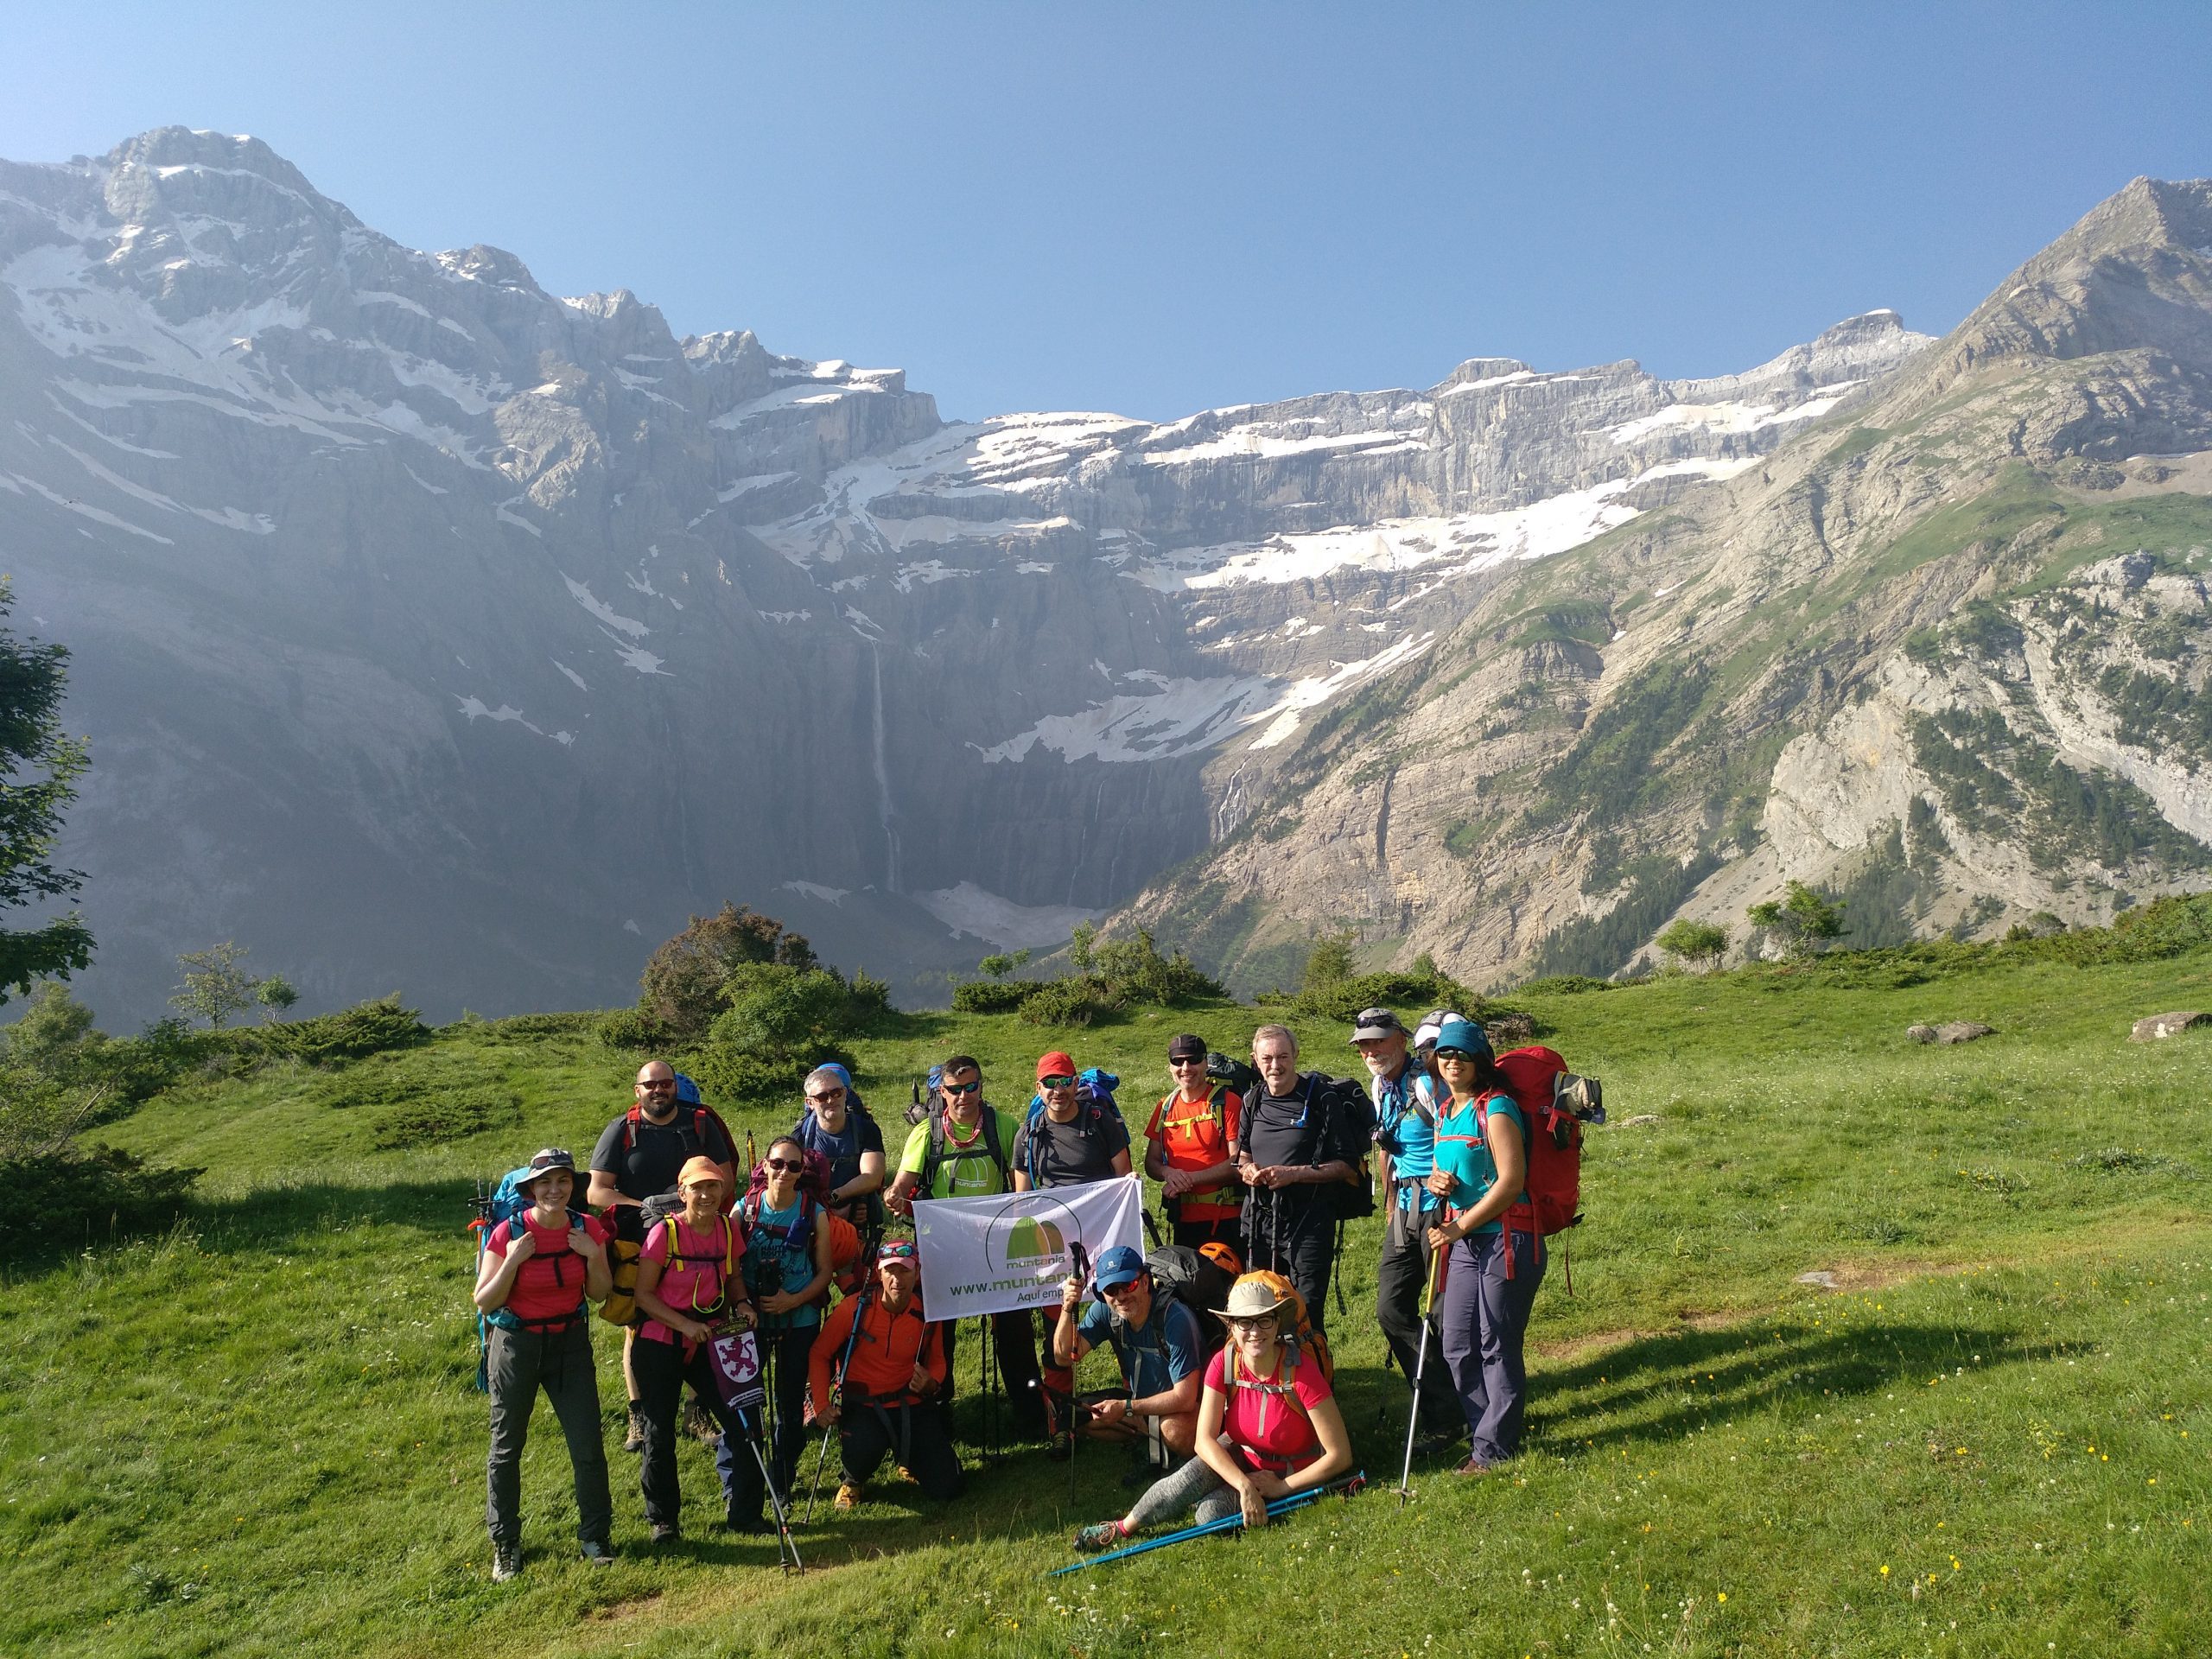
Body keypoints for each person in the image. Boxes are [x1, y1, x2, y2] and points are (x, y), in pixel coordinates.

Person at [1071, 1273, 1352, 1552]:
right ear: (1232, 1326)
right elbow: (1203, 1442)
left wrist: (1282, 1487)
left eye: (1264, 1320)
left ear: (1277, 1323)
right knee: (1191, 1480)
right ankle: (1121, 1527)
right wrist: (1243, 1485)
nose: (1255, 1332)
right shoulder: (1225, 1363)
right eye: (1244, 1322)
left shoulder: (1301, 1371)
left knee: (1209, 1516)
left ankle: (1260, 1498)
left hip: (1293, 1470)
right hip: (1245, 1457)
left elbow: (1339, 1456)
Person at [473, 1147, 616, 1580]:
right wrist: (513, 1260)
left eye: (563, 1181)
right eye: (545, 1183)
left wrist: (592, 1254)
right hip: (516, 1346)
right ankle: (506, 1543)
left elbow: (599, 1293)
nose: (555, 1190)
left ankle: (595, 1537)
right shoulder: (507, 1232)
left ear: (573, 1186)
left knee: (588, 1444)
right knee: (506, 1447)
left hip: (570, 1344)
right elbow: (484, 1300)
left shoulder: (587, 1228)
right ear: (531, 1189)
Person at [887, 1054, 1047, 1436]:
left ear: (981, 1086)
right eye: (955, 1090)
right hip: (942, 1250)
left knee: (1015, 1331)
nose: (963, 1096)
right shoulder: (927, 1133)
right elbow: (903, 1181)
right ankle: (938, 1411)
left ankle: (1030, 1410)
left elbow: (1024, 1181)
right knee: (940, 1335)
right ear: (941, 1092)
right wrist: (895, 1194)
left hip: (996, 1248)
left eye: (971, 1087)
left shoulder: (1004, 1128)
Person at [589, 1060, 737, 1452]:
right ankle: (640, 1412)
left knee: (705, 1313)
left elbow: (726, 1176)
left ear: (676, 1087)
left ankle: (697, 1408)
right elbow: (597, 1191)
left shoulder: (701, 1123)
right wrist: (646, 1207)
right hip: (642, 1242)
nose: (659, 1090)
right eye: (650, 1084)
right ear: (637, 1090)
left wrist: (685, 1208)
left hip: (701, 1235)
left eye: (666, 1083)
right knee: (639, 1323)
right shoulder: (622, 1129)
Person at [1423, 1015, 1540, 1474]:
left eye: (1463, 1055)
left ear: (1480, 1061)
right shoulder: (1447, 1111)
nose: (1453, 1062)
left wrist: (1458, 1227)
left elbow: (1511, 1183)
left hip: (1508, 1239)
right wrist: (1439, 1182)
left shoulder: (1498, 1108)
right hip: (1469, 1241)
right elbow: (1459, 1173)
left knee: (1496, 1343)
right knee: (1456, 1343)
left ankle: (1494, 1449)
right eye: (1446, 1054)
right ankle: (1484, 1435)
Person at [629, 1156, 759, 1541]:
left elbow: (733, 1277)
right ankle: (663, 1521)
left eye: (713, 1187)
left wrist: (742, 1305)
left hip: (709, 1339)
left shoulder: (727, 1228)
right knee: (660, 1432)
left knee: (744, 1421)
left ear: (722, 1191)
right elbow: (643, 1295)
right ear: (682, 1192)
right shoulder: (664, 1234)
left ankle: (745, 1513)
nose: (705, 1194)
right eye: (697, 1188)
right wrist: (685, 1324)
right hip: (660, 1342)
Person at [1013, 1050, 1134, 1452]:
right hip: (1053, 1248)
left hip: (1104, 1240)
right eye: (1050, 1083)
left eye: (1065, 1081)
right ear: (1038, 1088)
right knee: (1056, 1335)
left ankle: (1137, 1407)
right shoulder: (1029, 1133)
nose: (1058, 1090)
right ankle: (1061, 1422)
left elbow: (1124, 1180)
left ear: (1077, 1083)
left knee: (1122, 1321)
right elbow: (1020, 1198)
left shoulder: (1101, 1122)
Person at [1360, 1007, 1460, 1451]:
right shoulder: (1380, 1085)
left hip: (1440, 1206)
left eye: (1379, 1041)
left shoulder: (1426, 1081)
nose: (1372, 1050)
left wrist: (1448, 1191)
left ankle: (1450, 1415)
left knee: (1442, 1313)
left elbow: (1456, 1132)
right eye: (1364, 1043)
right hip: (1403, 1206)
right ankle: (1446, 1404)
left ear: (1401, 1040)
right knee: (1392, 1308)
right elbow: (1388, 1148)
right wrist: (1387, 1202)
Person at [726, 1135, 833, 1529]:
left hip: (798, 1318)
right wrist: (744, 1304)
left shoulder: (814, 1211)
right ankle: (746, 1482)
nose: (784, 1172)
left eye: (793, 1166)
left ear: (802, 1172)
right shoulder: (745, 1209)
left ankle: (783, 1479)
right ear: (764, 1166)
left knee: (788, 1404)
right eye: (777, 1164)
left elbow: (824, 1274)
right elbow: (730, 1267)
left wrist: (793, 1301)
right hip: (751, 1319)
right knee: (747, 1404)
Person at [806, 1239, 963, 1508]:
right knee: (862, 1452)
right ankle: (853, 1480)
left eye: (905, 1270)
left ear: (917, 1272)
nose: (897, 1279)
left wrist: (931, 1381)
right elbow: (819, 1354)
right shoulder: (854, 1309)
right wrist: (821, 1406)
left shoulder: (927, 1312)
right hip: (864, 1407)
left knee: (949, 1487)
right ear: (879, 1273)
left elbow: (938, 1360)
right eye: (890, 1271)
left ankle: (911, 1460)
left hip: (911, 1405)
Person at [1237, 1026, 1359, 1332]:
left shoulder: (1321, 1097)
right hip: (1261, 1220)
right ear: (1255, 1060)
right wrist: (1248, 1169)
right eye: (1267, 1058)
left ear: (1296, 1056)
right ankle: (1271, 1376)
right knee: (1261, 1303)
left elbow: (1347, 1166)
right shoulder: (1252, 1099)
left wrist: (1293, 1175)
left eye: (1282, 1056)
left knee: (1306, 1309)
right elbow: (1241, 1155)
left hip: (1310, 1221)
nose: (1275, 1065)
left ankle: (1313, 1375)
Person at [1050, 1244, 1205, 1463]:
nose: (1120, 1296)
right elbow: (1063, 1357)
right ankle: (1149, 1436)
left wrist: (1126, 1408)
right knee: (1079, 1416)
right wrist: (1067, 1307)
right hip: (1140, 1405)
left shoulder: (1175, 1318)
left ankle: (1159, 1440)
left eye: (1128, 1286)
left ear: (1144, 1283)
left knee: (1173, 1430)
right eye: (1111, 1290)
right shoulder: (1105, 1309)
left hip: (1185, 1408)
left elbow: (1185, 1398)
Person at [1144, 1033, 1243, 1253]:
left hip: (1226, 1219)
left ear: (1206, 1063)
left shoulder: (1227, 1102)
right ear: (1170, 1067)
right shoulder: (1165, 1107)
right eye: (1178, 1061)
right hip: (1182, 1218)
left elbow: (1238, 1163)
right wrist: (1168, 1173)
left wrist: (1188, 1180)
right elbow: (1151, 1162)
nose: (1185, 1067)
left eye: (1193, 1060)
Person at [791, 1064, 886, 1227]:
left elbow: (873, 1177)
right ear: (810, 1102)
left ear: (845, 1094)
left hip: (858, 1215)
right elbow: (792, 1181)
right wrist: (828, 1211)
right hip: (814, 1218)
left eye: (836, 1093)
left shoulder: (866, 1129)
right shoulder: (801, 1135)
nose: (831, 1100)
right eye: (821, 1096)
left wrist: (838, 1197)